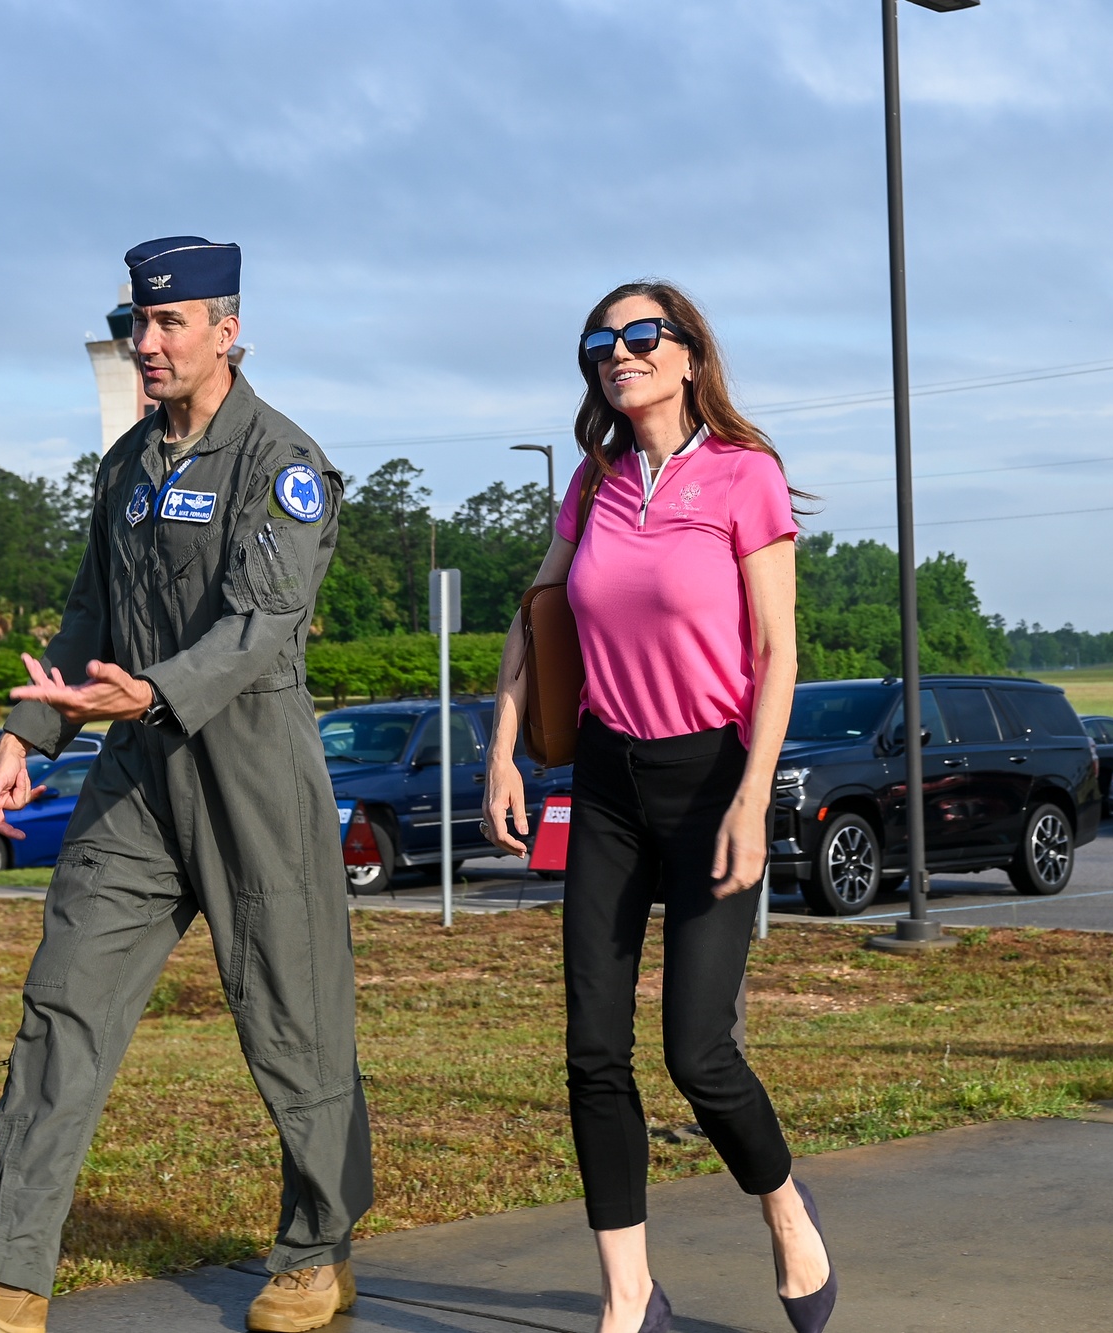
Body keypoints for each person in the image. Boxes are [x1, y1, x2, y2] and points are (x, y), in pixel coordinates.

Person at [0, 237, 372, 1333]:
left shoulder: (279, 462)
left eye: (169, 324)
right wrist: (30, 731)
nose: (145, 344)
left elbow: (259, 628)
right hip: (135, 773)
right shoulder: (129, 465)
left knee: (294, 1022)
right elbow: (87, 611)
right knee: (63, 1002)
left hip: (249, 765)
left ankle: (317, 1248)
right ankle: (7, 1274)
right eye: (135, 325)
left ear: (226, 330)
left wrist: (146, 693)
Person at [482, 281, 835, 1333]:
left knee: (697, 1052)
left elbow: (775, 655)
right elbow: (534, 617)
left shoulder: (743, 477)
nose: (619, 352)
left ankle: (784, 1211)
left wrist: (752, 797)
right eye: (602, 341)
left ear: (687, 355)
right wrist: (501, 752)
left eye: (642, 335)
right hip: (603, 780)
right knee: (592, 1046)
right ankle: (628, 1296)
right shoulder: (592, 488)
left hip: (710, 781)